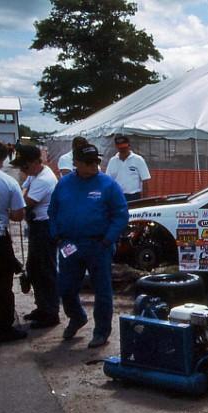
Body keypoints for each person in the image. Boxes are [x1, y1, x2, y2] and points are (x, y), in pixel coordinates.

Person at [49, 143, 128, 348]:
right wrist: (56, 235)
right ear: (76, 163)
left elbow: (120, 215)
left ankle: (101, 331)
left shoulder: (108, 185)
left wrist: (108, 239)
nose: (94, 166)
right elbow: (53, 211)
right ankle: (77, 317)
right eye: (88, 162)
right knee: (65, 287)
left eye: (96, 161)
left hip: (98, 245)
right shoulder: (64, 184)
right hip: (69, 245)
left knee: (102, 291)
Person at [10, 145, 60, 328]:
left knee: (45, 269)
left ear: (33, 162)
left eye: (24, 166)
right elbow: (23, 190)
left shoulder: (44, 180)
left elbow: (23, 205)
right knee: (34, 267)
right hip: (37, 225)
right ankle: (43, 307)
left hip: (44, 227)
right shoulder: (35, 174)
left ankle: (51, 312)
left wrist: (9, 209)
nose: (22, 170)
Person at [0, 144, 27, 343]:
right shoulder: (8, 182)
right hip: (0, 237)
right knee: (2, 285)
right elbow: (18, 214)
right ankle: (4, 328)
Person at [105, 134, 150, 202]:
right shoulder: (112, 161)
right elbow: (108, 181)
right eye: (120, 148)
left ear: (129, 146)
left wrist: (145, 200)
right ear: (116, 147)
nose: (123, 150)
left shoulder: (138, 159)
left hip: (134, 196)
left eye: (124, 148)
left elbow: (145, 180)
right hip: (117, 196)